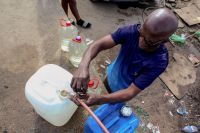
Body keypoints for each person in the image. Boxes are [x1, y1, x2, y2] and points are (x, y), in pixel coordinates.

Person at [70, 8, 178, 106]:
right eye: (142, 32)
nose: (141, 39)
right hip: (112, 74)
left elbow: (130, 92)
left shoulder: (159, 62)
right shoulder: (132, 31)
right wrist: (83, 66)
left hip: (122, 91)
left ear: (164, 41)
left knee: (110, 105)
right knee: (105, 86)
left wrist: (100, 99)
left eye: (148, 41)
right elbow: (98, 45)